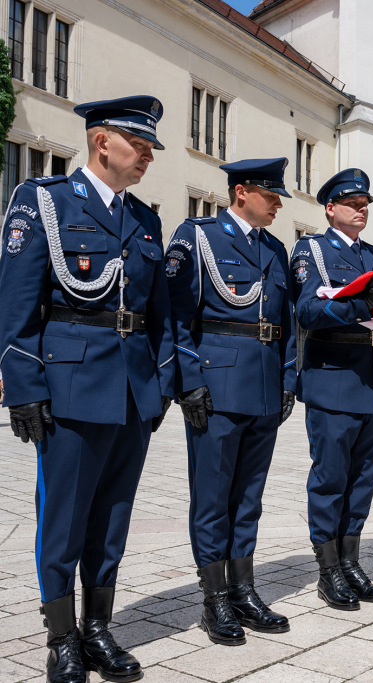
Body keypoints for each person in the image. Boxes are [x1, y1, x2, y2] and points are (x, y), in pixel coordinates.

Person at [0, 96, 174, 683]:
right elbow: (17, 305)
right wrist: (23, 385)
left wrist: (163, 381)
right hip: (70, 384)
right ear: (103, 142)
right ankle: (61, 638)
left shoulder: (145, 220)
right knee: (64, 516)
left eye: (151, 148)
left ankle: (98, 628)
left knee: (113, 515)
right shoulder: (44, 202)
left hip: (131, 389)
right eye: (140, 145)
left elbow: (159, 314)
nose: (148, 156)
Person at [165, 158, 296, 645]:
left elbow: (285, 326)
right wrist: (190, 380)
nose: (279, 202)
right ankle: (214, 598)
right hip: (217, 387)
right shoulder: (197, 237)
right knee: (214, 498)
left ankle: (243, 589)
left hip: (262, 387)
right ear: (242, 192)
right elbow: (177, 317)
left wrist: (287, 379)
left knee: (248, 499)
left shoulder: (276, 250)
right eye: (271, 193)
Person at [291, 169, 373, 609]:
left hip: (372, 379)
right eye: (351, 202)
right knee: (330, 478)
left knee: (363, 480)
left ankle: (350, 561)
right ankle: (328, 569)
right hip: (332, 377)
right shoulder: (311, 250)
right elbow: (309, 311)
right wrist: (356, 303)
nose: (361, 208)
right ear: (330, 208)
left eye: (365, 202)